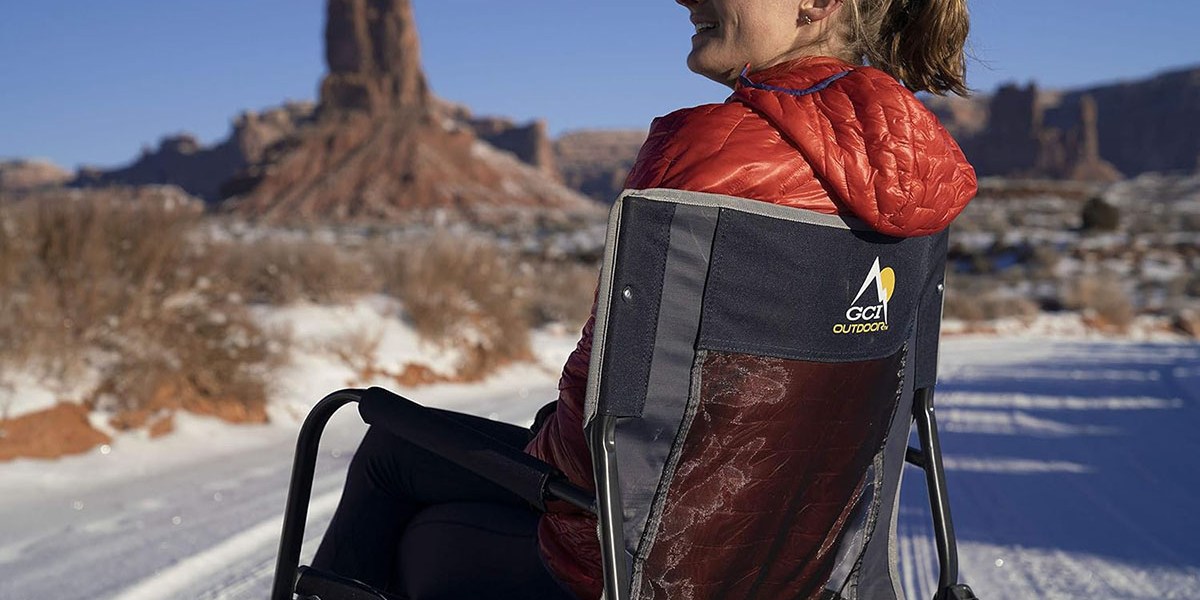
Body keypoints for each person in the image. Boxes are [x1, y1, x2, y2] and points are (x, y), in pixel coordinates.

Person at [312, 0, 977, 598]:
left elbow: (583, 453)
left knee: (387, 455)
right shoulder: (926, 185)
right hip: (819, 569)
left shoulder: (707, 154)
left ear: (817, 3)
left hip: (637, 572)